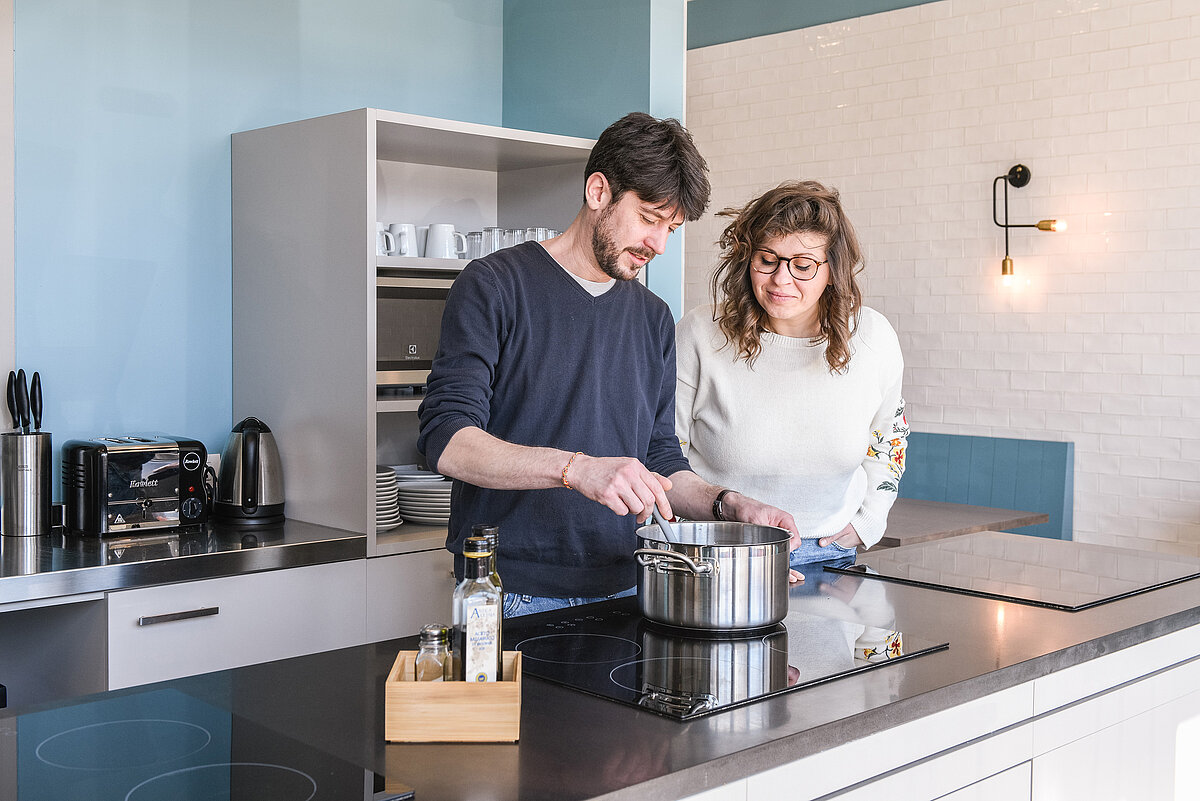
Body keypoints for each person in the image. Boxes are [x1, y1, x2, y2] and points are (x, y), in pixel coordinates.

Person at [417, 112, 799, 617]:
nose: (658, 244)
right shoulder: (494, 285)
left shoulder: (654, 318)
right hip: (508, 590)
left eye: (672, 227)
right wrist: (576, 470)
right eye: (648, 217)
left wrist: (727, 505)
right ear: (598, 191)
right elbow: (445, 439)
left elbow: (659, 459)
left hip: (630, 581)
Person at [675, 180, 908, 572]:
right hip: (717, 559)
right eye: (767, 259)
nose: (781, 279)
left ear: (832, 271)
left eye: (802, 265)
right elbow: (663, 447)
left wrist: (868, 522)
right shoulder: (701, 332)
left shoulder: (873, 337)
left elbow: (889, 438)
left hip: (830, 556)